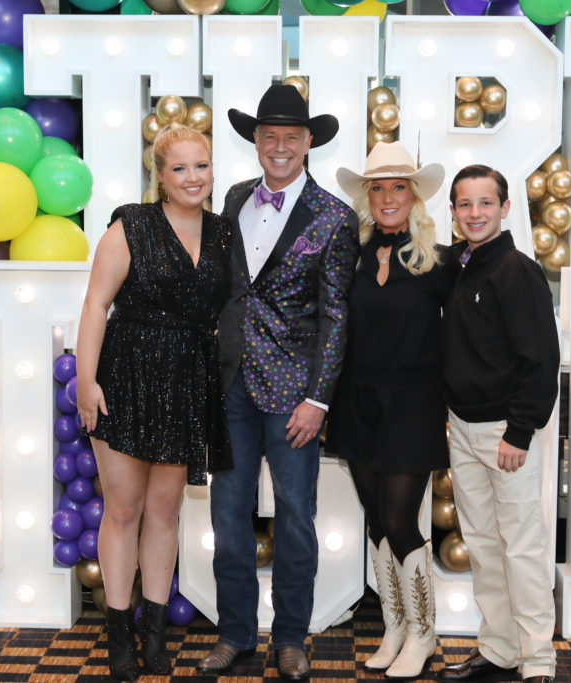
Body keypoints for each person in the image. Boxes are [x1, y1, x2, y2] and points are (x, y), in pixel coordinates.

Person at [197, 84, 358, 681]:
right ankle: (235, 633)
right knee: (227, 516)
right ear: (256, 143)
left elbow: (337, 315)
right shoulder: (236, 198)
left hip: (294, 394)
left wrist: (318, 397)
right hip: (231, 384)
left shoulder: (336, 217)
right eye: (270, 136)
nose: (280, 146)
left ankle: (291, 638)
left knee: (296, 518)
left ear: (308, 142)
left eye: (292, 136)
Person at [76, 123, 232, 681]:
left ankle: (154, 633)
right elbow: (96, 307)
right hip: (125, 376)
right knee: (122, 511)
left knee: (165, 513)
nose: (194, 177)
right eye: (180, 168)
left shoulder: (223, 233)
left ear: (214, 170)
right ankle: (118, 636)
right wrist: (86, 381)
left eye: (202, 165)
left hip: (187, 380)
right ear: (160, 177)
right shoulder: (131, 226)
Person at [331, 141, 455, 679]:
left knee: (401, 518)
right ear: (366, 196)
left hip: (415, 401)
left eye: (397, 187)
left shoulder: (440, 260)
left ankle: (424, 633)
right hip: (357, 399)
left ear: (414, 195)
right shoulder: (350, 254)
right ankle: (396, 627)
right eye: (376, 187)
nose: (386, 197)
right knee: (377, 521)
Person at [437, 165, 559, 683]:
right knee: (484, 546)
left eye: (485, 203)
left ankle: (538, 663)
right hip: (461, 429)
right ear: (453, 212)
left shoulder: (517, 270)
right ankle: (499, 648)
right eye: (465, 205)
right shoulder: (460, 268)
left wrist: (520, 431)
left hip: (505, 433)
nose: (475, 214)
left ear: (506, 208)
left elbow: (540, 358)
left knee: (521, 549)